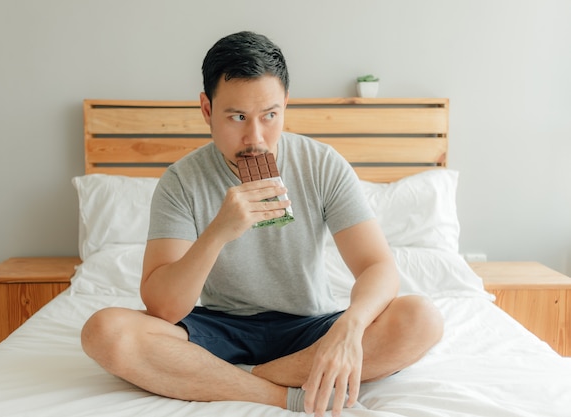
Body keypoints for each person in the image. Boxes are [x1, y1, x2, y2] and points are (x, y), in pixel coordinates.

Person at [81, 31, 443, 417]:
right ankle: (282, 395)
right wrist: (219, 230)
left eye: (270, 115)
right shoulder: (181, 181)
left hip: (310, 327)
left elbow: (378, 267)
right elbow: (163, 308)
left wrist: (350, 329)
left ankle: (237, 378)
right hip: (221, 328)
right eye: (237, 117)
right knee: (105, 331)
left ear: (285, 105)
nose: (256, 139)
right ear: (207, 110)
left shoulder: (322, 164)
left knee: (421, 319)